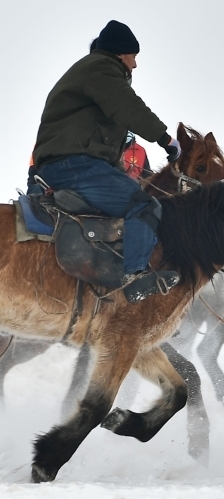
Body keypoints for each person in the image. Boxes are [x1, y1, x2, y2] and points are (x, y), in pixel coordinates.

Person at [31, 20, 182, 303]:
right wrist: (165, 139)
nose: (135, 65)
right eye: (134, 57)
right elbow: (126, 105)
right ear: (120, 53)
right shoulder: (100, 69)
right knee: (144, 204)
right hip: (73, 166)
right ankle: (134, 277)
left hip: (70, 163)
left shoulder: (90, 73)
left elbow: (104, 139)